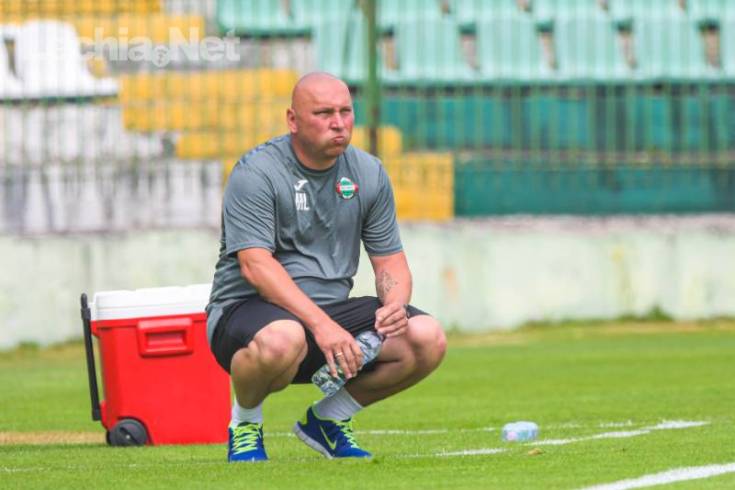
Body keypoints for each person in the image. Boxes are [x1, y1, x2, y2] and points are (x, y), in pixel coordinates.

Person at [205, 72, 446, 462]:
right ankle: (245, 424)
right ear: (293, 120)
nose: (338, 123)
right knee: (284, 338)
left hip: (329, 318)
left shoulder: (368, 173)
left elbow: (390, 262)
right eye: (323, 113)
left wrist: (395, 305)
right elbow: (255, 266)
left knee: (426, 337)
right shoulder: (256, 172)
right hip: (247, 313)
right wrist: (321, 326)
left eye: (345, 111)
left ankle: (328, 419)